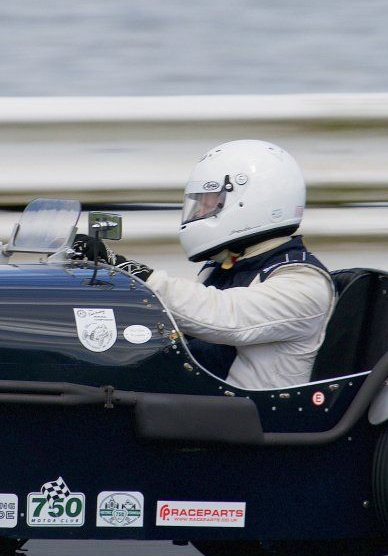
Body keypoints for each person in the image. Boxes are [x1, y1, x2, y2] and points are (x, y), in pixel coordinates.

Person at [75, 140, 334, 391]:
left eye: (209, 201)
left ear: (252, 200)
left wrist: (132, 272)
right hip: (202, 404)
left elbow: (224, 317)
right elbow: (179, 319)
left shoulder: (304, 281)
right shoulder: (228, 265)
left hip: (247, 415)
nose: (199, 211)